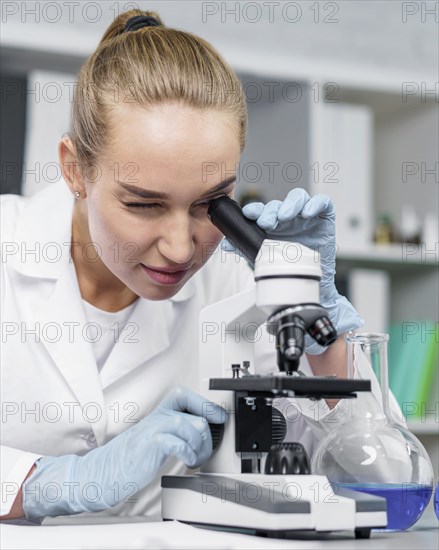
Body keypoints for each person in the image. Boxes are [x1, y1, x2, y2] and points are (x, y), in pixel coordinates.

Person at [0, 9, 401, 524]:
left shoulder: (241, 282)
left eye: (211, 205)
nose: (181, 249)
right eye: (144, 204)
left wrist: (316, 317)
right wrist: (51, 484)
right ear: (75, 169)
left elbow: (387, 480)